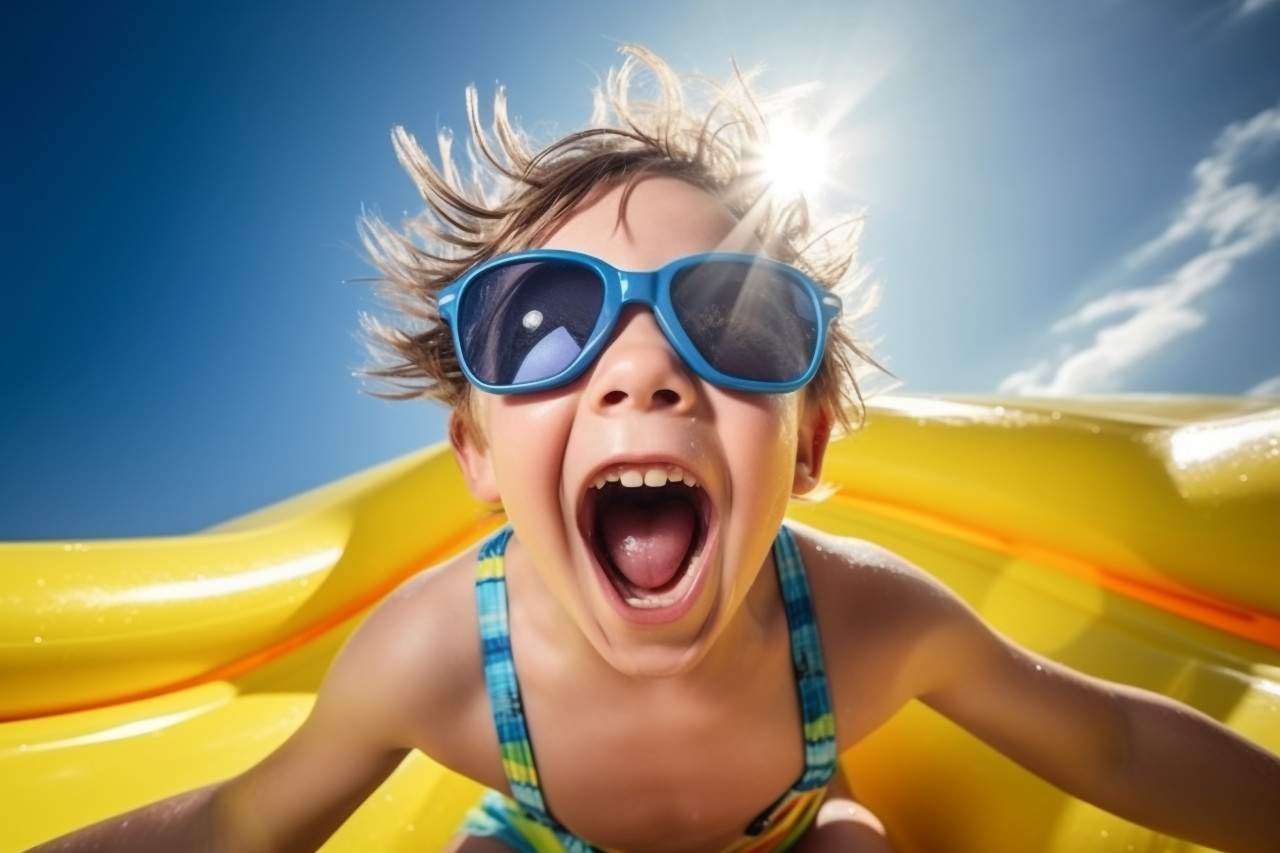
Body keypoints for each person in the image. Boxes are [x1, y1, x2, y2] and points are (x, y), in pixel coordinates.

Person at [26, 45, 1280, 853]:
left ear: (806, 448)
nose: (641, 367)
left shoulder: (869, 624)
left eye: (733, 318)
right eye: (542, 326)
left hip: (783, 827)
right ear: (473, 452)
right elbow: (247, 819)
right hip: (540, 831)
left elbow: (1105, 740)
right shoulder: (434, 657)